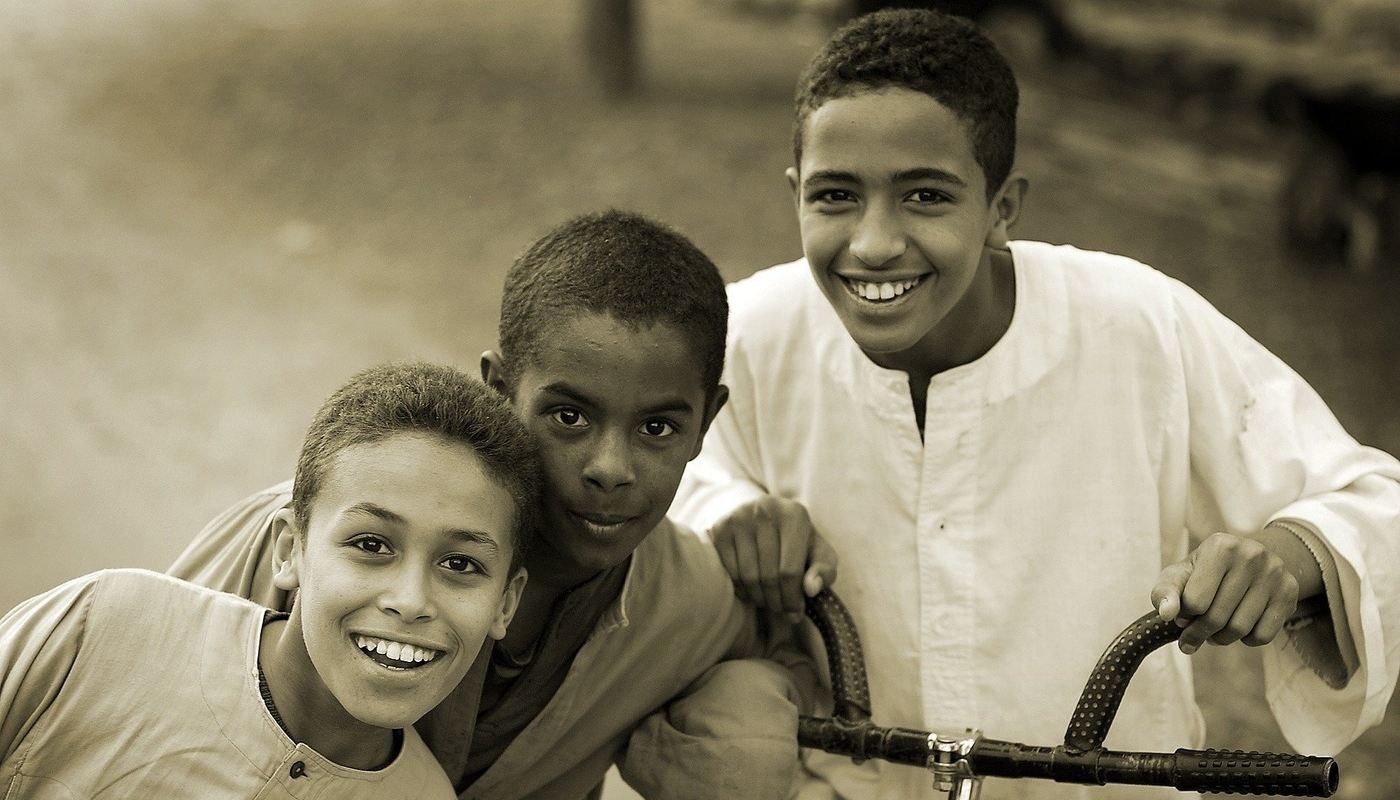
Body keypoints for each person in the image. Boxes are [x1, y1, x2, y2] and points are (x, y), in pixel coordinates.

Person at [669, 8, 1400, 799]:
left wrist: (1290, 557)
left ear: (1003, 208)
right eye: (836, 195)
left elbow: (1371, 505)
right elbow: (652, 486)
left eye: (926, 196)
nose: (874, 242)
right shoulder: (747, 333)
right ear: (795, 193)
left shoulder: (1137, 325)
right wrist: (732, 515)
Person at [168, 210, 815, 800]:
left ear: (707, 423)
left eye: (657, 430)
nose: (610, 470)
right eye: (568, 416)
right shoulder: (318, 537)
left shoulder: (689, 601)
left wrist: (741, 724)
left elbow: (788, 664)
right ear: (501, 389)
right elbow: (142, 693)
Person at [0, 361, 537, 799]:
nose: (410, 600)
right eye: (371, 545)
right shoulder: (103, 631)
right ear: (290, 550)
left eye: (461, 565)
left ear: (505, 604)